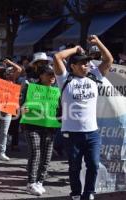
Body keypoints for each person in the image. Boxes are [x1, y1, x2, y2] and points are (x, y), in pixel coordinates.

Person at [53, 35, 113, 200]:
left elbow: (108, 59)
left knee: (93, 165)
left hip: (92, 133)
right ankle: (76, 194)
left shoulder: (94, 77)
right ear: (73, 66)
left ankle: (89, 193)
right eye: (82, 63)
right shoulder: (65, 79)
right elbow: (57, 57)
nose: (86, 65)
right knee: (74, 167)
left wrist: (98, 43)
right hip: (71, 134)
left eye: (87, 62)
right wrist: (76, 49)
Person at [21, 65, 58, 196]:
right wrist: (22, 108)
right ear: (41, 75)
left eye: (54, 75)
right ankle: (31, 183)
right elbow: (21, 103)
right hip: (32, 125)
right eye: (49, 74)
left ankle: (40, 182)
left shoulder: (57, 90)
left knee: (47, 155)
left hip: (49, 126)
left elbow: (61, 108)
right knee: (35, 153)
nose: (52, 77)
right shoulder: (30, 88)